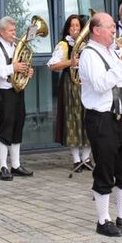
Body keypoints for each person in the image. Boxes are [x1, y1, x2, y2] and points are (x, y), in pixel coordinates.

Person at [79, 12, 122, 237]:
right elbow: (101, 85)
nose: (114, 31)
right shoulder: (89, 54)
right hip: (101, 118)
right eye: (109, 27)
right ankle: (103, 220)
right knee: (105, 169)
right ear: (96, 30)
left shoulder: (112, 51)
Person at [0, 16, 34, 181]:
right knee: (5, 128)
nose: (14, 33)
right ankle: (3, 167)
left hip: (17, 90)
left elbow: (22, 66)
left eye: (15, 30)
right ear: (2, 31)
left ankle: (15, 165)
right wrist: (12, 67)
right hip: (3, 92)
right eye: (11, 30)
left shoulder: (15, 46)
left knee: (17, 127)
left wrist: (26, 71)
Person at [47, 15, 91, 172]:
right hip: (70, 85)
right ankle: (76, 160)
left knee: (87, 119)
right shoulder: (63, 45)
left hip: (86, 84)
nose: (75, 28)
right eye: (72, 26)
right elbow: (52, 66)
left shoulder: (87, 44)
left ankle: (87, 158)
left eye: (78, 26)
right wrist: (70, 62)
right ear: (67, 28)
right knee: (72, 119)